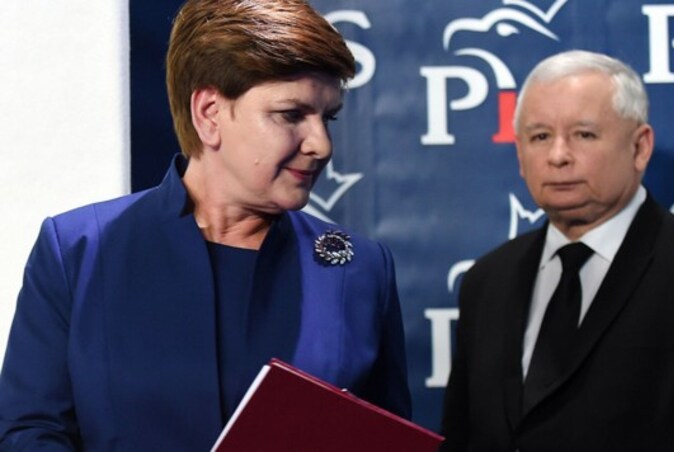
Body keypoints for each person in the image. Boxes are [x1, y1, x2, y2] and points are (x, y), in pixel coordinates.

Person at [0, 0, 411, 449]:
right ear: (210, 113)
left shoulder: (363, 268)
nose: (321, 144)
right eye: (291, 115)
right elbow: (30, 434)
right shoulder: (77, 251)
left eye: (327, 117)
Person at [440, 50, 674, 451]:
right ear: (519, 153)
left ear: (640, 147)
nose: (558, 155)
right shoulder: (488, 280)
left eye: (584, 134)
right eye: (540, 136)